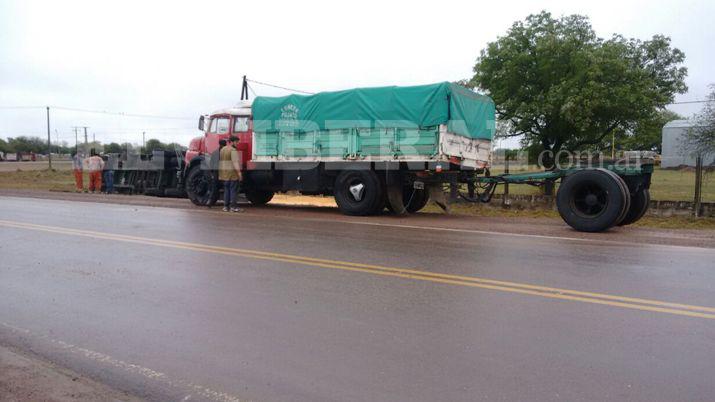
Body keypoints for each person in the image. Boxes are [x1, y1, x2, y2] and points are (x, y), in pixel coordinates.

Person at [218, 136, 243, 212]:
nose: (237, 144)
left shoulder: (222, 149)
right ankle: (233, 207)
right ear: (232, 142)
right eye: (236, 142)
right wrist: (239, 173)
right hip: (232, 174)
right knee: (233, 190)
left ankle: (226, 207)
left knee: (226, 190)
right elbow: (235, 162)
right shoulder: (233, 150)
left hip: (224, 173)